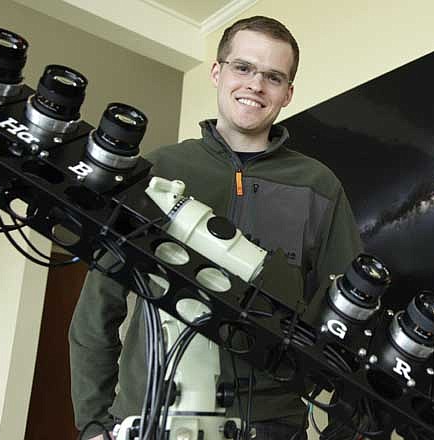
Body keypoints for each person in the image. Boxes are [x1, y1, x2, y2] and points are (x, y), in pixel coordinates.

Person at [69, 16, 363, 440]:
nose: (256, 85)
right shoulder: (159, 168)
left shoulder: (319, 186)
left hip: (271, 426)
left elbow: (345, 324)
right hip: (154, 416)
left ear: (288, 93)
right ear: (217, 72)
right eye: (243, 68)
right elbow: (97, 309)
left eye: (273, 77)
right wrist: (94, 423)